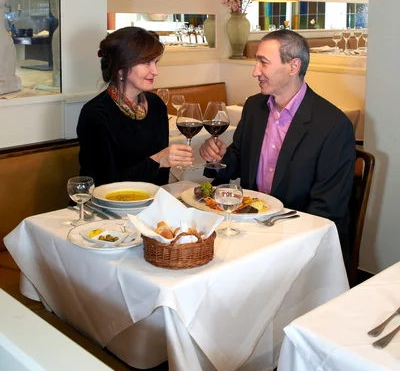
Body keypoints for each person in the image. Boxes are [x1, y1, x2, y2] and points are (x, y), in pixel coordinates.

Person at [200, 29, 356, 258]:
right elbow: (238, 160)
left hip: (302, 238)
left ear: (293, 66)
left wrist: (279, 243)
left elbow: (327, 208)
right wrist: (219, 157)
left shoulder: (333, 125)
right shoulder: (255, 107)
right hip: (251, 227)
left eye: (263, 63)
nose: (255, 72)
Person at [77, 27, 193, 187]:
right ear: (121, 68)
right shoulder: (95, 113)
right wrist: (158, 160)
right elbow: (104, 183)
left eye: (156, 62)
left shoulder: (156, 105)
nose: (155, 71)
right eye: (146, 62)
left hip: (150, 202)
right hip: (105, 207)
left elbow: (161, 178)